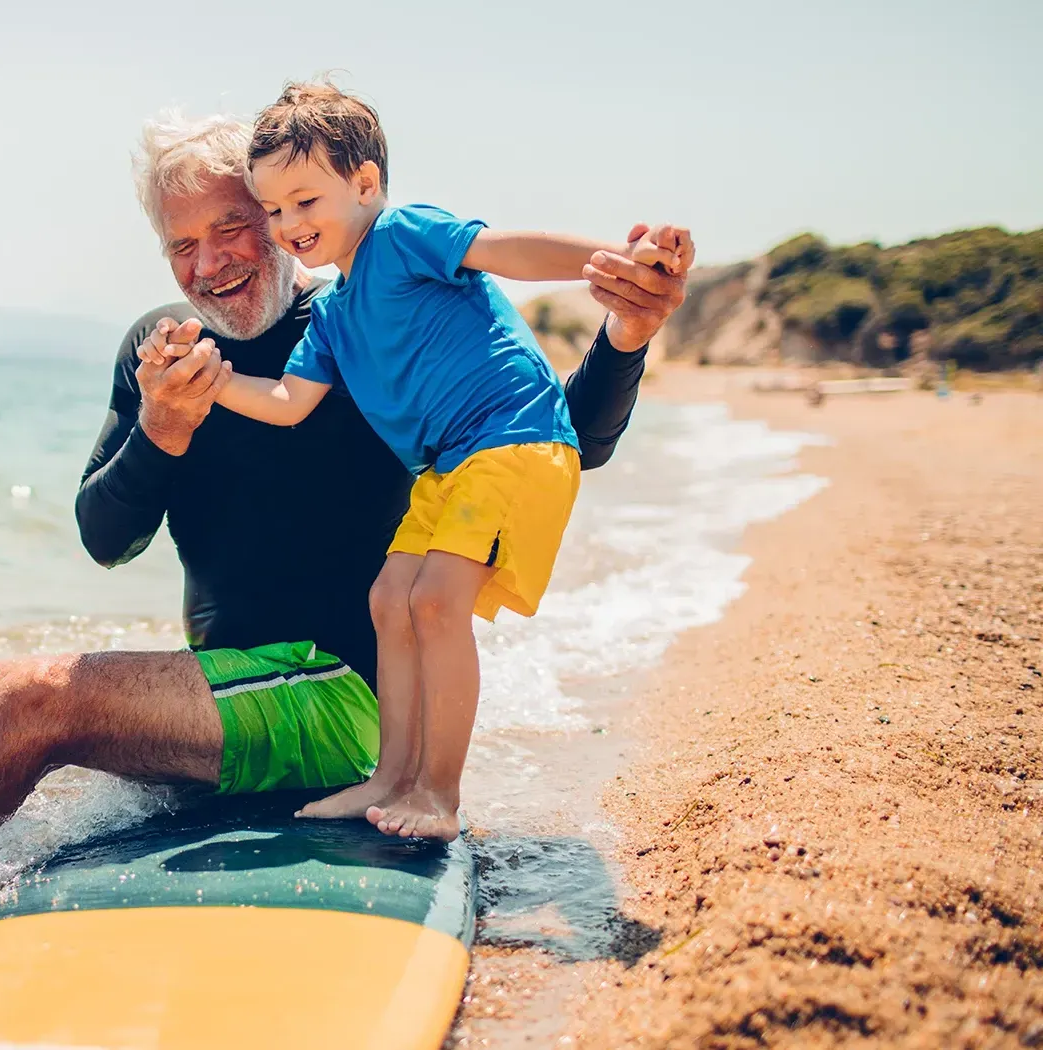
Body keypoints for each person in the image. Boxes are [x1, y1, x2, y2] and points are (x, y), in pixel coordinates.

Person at [0, 112, 693, 852]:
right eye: (181, 245)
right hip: (233, 684)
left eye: (234, 226)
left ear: (282, 222)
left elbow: (555, 440)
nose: (209, 265)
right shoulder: (161, 349)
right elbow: (106, 538)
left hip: (342, 694)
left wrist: (625, 334)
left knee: (39, 702)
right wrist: (160, 430)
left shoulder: (358, 326)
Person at [138, 80, 687, 842]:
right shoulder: (331, 314)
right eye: (273, 209)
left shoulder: (404, 235)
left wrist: (614, 261)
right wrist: (212, 379)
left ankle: (441, 795)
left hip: (512, 438)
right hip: (446, 468)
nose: (288, 224)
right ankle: (389, 777)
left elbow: (508, 251)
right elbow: (289, 401)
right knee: (389, 598)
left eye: (305, 201)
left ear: (364, 184)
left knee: (433, 604)